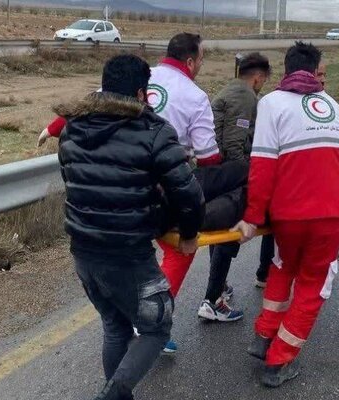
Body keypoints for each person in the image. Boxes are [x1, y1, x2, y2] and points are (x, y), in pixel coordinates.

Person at [56, 54, 204, 400]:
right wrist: (188, 235)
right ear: (142, 93)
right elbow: (188, 194)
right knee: (156, 328)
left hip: (83, 251)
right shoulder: (152, 132)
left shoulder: (72, 128)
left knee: (115, 325)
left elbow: (73, 181)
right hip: (128, 255)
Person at [39, 33, 221, 354]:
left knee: (117, 300)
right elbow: (208, 157)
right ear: (191, 62)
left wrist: (52, 128)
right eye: (202, 60)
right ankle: (151, 317)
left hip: (109, 199)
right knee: (180, 250)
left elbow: (90, 103)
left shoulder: (133, 76)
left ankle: (135, 319)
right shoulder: (195, 96)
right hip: (159, 191)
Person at [234, 42, 339, 388]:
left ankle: (264, 335)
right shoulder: (333, 106)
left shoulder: (271, 103)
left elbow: (262, 166)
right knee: (312, 284)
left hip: (288, 214)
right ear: (315, 71)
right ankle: (279, 360)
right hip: (329, 213)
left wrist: (253, 216)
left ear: (285, 70)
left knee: (283, 267)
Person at [198, 52, 272, 323]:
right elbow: (233, 144)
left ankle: (218, 286)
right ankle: (212, 298)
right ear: (258, 77)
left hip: (215, 171)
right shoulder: (245, 97)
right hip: (227, 173)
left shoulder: (230, 89)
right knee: (228, 235)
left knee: (219, 234)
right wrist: (246, 177)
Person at [253, 61, 327, 289]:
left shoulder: (324, 103)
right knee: (276, 233)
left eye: (324, 74)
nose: (323, 79)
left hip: (307, 183)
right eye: (319, 74)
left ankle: (272, 272)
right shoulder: (278, 102)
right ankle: (268, 271)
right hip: (288, 183)